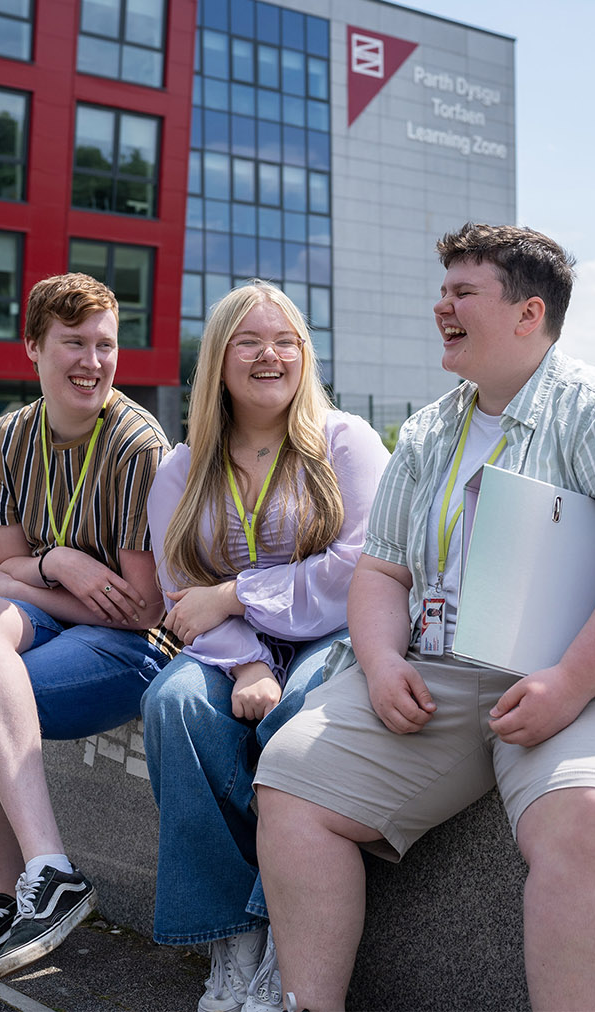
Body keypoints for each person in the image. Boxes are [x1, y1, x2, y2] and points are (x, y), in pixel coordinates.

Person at [254, 223, 595, 1012]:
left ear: (528, 314)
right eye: (442, 291)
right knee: (293, 781)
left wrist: (569, 683)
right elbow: (381, 569)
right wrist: (380, 660)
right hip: (443, 669)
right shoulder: (431, 429)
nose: (441, 307)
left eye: (462, 292)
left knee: (593, 820)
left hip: (585, 675)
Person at [141, 283, 389, 1012]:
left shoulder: (346, 443)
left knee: (307, 707)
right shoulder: (181, 470)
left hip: (331, 634)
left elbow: (359, 568)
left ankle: (289, 920)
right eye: (248, 341)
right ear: (218, 358)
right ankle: (233, 938)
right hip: (227, 649)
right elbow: (183, 597)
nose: (269, 355)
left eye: (285, 340)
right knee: (173, 703)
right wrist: (247, 658)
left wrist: (239, 593)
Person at [0, 273, 176, 980]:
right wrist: (63, 562)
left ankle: (41, 880)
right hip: (66, 622)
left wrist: (32, 576)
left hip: (133, 651)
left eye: (105, 345)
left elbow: (141, 609)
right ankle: (23, 891)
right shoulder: (9, 436)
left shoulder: (136, 442)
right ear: (33, 345)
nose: (91, 362)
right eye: (73, 343)